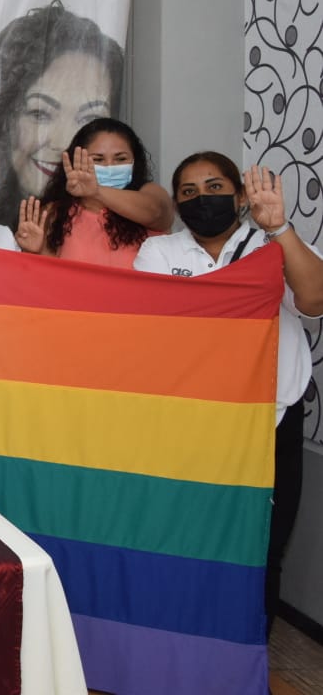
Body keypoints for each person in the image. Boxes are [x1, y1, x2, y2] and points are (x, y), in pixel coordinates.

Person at [133, 154, 323, 633]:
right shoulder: (159, 252)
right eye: (189, 191)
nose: (203, 198)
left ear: (239, 196)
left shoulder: (273, 245)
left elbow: (314, 298)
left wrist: (279, 229)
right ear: (177, 203)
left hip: (272, 417)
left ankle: (248, 650)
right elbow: (154, 328)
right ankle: (190, 643)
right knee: (191, 537)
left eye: (215, 187)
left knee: (264, 543)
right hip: (194, 420)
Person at [0, 1, 125, 228]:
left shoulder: (126, 221)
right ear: (5, 119)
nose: (63, 143)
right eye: (40, 114)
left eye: (89, 120)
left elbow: (158, 210)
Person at [14, 117, 173, 267]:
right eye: (98, 159)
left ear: (134, 161)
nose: (110, 166)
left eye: (121, 159)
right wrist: (33, 252)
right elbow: (50, 277)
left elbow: (157, 214)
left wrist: (96, 191)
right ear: (75, 162)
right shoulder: (54, 213)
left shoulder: (149, 192)